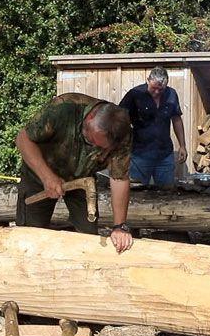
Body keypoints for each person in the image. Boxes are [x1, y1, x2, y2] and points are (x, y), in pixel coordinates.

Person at [15, 93, 135, 253]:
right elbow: (23, 139)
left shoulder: (122, 134)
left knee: (88, 236)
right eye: (91, 141)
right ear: (90, 118)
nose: (95, 148)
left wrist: (119, 226)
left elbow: (119, 178)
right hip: (39, 174)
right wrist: (47, 177)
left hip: (82, 181)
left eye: (102, 148)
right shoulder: (62, 109)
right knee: (30, 235)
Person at [119, 67, 187, 188]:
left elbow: (176, 119)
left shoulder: (171, 94)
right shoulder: (135, 94)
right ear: (148, 80)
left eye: (160, 89)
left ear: (166, 85)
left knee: (166, 194)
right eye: (153, 88)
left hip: (165, 155)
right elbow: (120, 118)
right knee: (138, 194)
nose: (156, 92)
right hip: (140, 155)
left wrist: (182, 146)